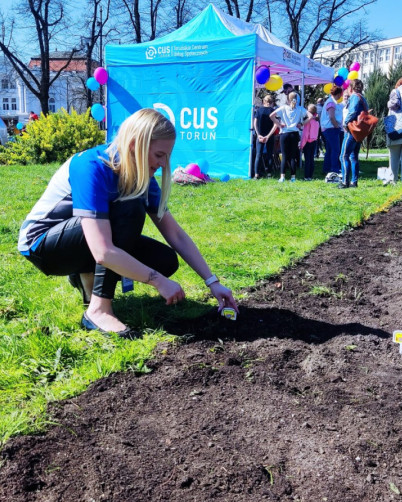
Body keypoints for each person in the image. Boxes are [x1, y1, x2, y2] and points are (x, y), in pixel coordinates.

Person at [18, 108, 238, 337]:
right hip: (42, 246)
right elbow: (102, 251)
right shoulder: (92, 166)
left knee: (165, 261)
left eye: (167, 157)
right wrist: (158, 281)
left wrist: (212, 282)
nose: (164, 164)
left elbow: (176, 235)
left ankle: (86, 275)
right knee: (128, 207)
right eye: (159, 155)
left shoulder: (143, 176)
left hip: (88, 240)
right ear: (135, 145)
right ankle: (98, 310)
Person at [339, 79, 369, 189]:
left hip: (352, 130)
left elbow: (352, 111)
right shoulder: (362, 97)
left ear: (350, 88)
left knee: (343, 156)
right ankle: (354, 182)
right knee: (354, 156)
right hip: (359, 131)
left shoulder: (354, 97)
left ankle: (344, 182)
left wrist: (345, 123)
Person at [270, 92, 307, 182]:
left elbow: (271, 116)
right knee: (292, 157)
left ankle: (282, 177)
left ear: (288, 99)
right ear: (297, 99)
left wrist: (279, 124)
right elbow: (310, 116)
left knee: (284, 155)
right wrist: (301, 124)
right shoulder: (300, 109)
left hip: (284, 134)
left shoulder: (283, 108)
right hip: (294, 134)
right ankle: (293, 178)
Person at [252, 94, 278, 178]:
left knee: (258, 155)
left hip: (260, 135)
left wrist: (258, 134)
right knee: (270, 154)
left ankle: (256, 174)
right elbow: (275, 125)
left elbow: (254, 123)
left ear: (264, 101)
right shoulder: (273, 111)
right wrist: (268, 136)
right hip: (269, 135)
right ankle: (269, 174)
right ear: (272, 102)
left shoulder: (259, 110)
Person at [320, 85, 344, 175]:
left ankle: (327, 168)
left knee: (330, 149)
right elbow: (331, 116)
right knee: (336, 150)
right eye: (340, 94)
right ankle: (334, 169)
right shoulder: (331, 103)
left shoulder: (329, 101)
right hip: (331, 129)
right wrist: (336, 126)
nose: (341, 96)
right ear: (338, 94)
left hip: (328, 129)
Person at [299, 104, 320, 181]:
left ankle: (306, 176)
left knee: (307, 160)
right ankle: (310, 175)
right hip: (314, 140)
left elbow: (305, 134)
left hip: (307, 141)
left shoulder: (308, 121)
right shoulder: (316, 121)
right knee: (311, 159)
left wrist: (301, 145)